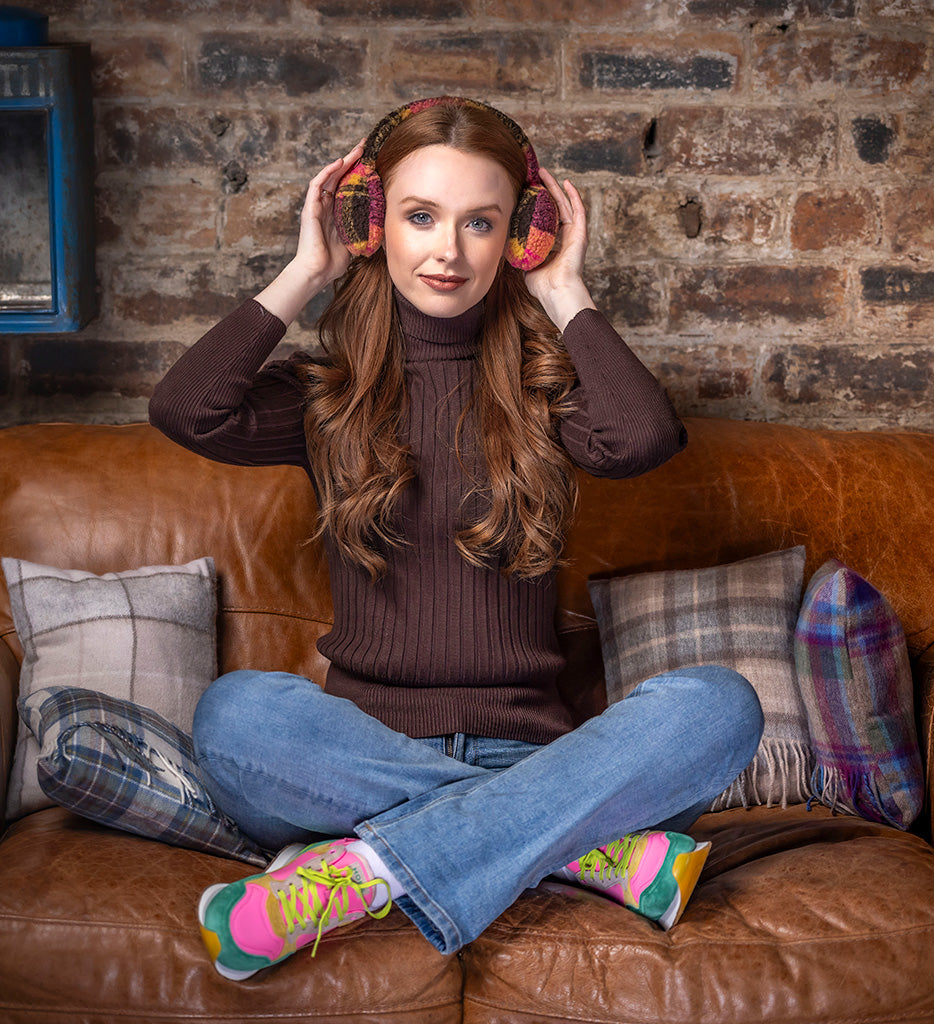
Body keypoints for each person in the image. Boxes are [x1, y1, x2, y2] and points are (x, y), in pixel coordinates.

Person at [148, 96, 763, 981]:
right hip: (351, 756)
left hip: (537, 754)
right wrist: (307, 268)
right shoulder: (326, 397)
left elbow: (643, 439)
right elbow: (186, 409)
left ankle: (363, 871)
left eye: (481, 222)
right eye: (420, 216)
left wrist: (565, 291)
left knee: (719, 706)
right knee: (236, 716)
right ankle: (581, 851)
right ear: (371, 225)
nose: (448, 250)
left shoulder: (546, 391)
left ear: (521, 236)